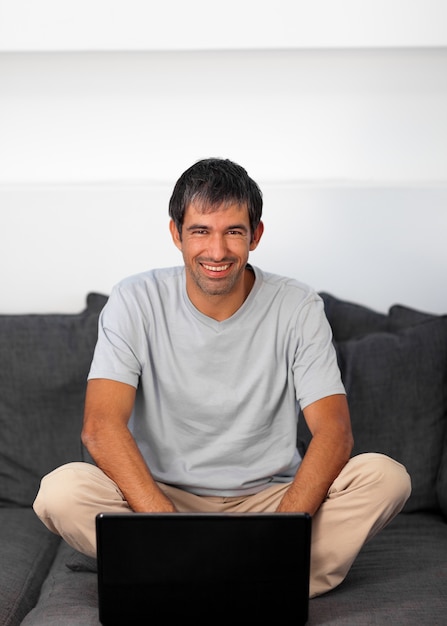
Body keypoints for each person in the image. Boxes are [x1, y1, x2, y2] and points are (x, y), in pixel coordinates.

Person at [34, 157, 411, 598]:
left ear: (256, 235)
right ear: (176, 234)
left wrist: (282, 529)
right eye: (200, 231)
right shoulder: (133, 300)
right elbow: (100, 427)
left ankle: (182, 576)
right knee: (60, 492)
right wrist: (169, 527)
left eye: (233, 231)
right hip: (160, 498)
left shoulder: (298, 306)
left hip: (270, 500)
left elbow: (334, 432)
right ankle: (262, 580)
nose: (217, 251)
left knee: (386, 477)